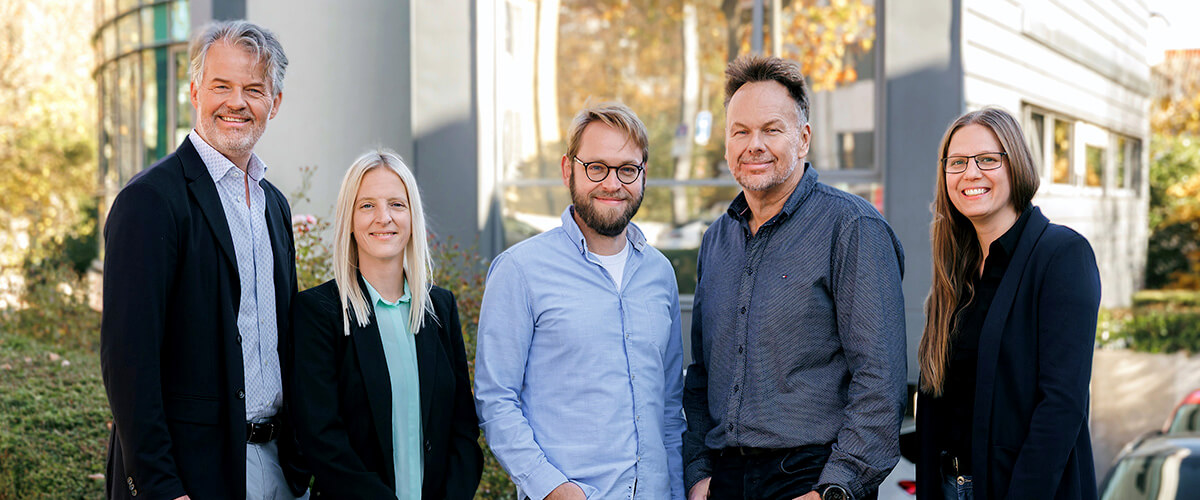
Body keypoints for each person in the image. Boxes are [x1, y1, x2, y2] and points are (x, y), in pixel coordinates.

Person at [682, 54, 907, 500]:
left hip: (812, 477)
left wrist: (835, 488)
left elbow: (880, 382)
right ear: (726, 144)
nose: (754, 144)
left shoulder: (851, 228)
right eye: (740, 131)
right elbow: (702, 375)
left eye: (771, 129)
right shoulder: (716, 240)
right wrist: (699, 475)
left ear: (803, 139)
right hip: (725, 481)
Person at [100, 20, 308, 500]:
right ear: (195, 92)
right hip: (193, 478)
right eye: (221, 86)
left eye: (254, 89)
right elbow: (127, 361)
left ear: (274, 104)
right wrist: (160, 486)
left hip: (278, 470)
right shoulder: (150, 201)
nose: (236, 102)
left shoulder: (274, 205)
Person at [474, 103, 686, 500]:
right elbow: (496, 399)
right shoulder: (521, 270)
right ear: (568, 169)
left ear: (642, 175)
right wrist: (551, 487)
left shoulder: (660, 273)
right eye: (597, 167)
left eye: (627, 169)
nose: (612, 183)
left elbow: (669, 407)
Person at [915, 107, 1101, 500]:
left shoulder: (1061, 255)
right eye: (957, 162)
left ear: (1015, 165)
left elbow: (1062, 406)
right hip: (950, 487)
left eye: (987, 159)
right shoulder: (955, 267)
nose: (970, 174)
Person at [291, 149, 483, 499]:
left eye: (397, 204)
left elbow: (463, 431)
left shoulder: (440, 308)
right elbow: (321, 439)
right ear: (349, 219)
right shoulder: (318, 313)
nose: (384, 218)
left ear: (413, 216)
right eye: (367, 206)